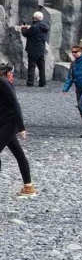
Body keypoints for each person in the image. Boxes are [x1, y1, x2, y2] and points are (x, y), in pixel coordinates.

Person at [0, 65, 36, 197]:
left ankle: (29, 188)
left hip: (10, 123)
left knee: (18, 154)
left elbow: (15, 104)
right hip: (2, 123)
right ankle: (29, 187)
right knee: (19, 154)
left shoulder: (3, 82)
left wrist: (21, 127)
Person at [20, 11, 49, 87]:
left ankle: (30, 82)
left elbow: (26, 34)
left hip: (33, 49)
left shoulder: (34, 27)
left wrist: (23, 28)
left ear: (35, 18)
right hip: (41, 49)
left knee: (32, 66)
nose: (32, 19)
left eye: (33, 18)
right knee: (41, 67)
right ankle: (42, 82)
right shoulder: (45, 27)